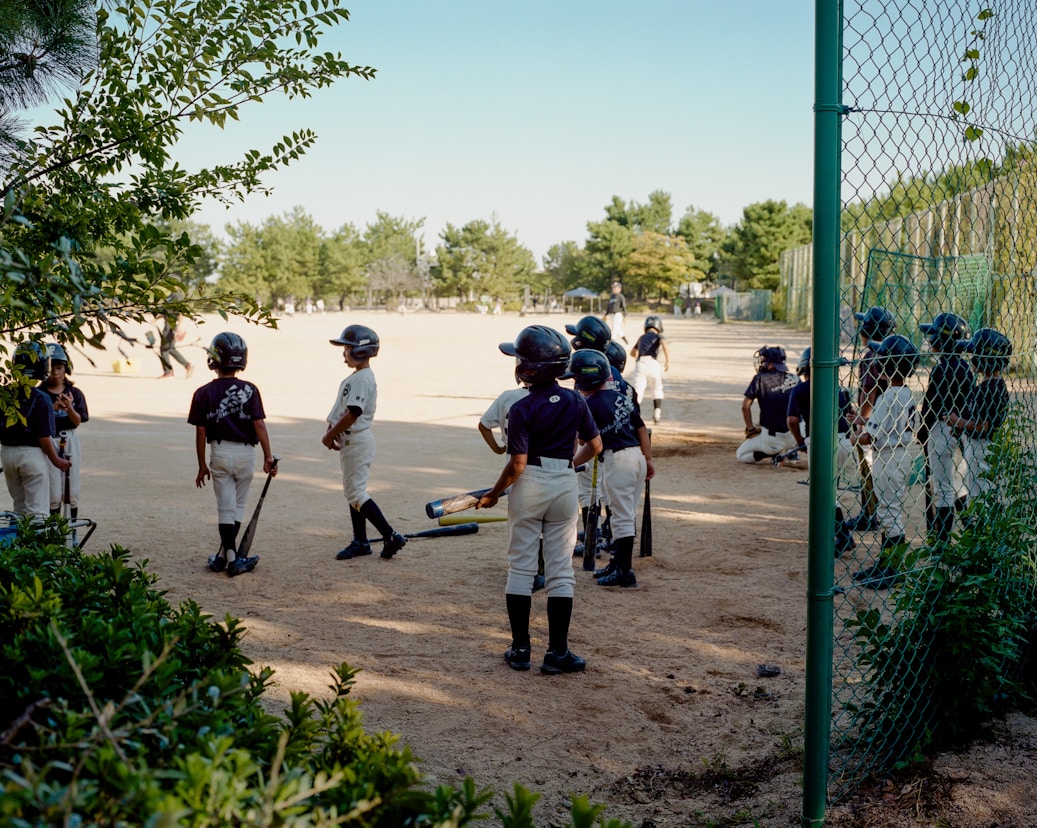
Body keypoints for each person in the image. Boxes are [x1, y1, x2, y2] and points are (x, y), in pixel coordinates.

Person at [477, 325, 601, 675]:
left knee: (521, 567)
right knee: (561, 571)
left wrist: (493, 494)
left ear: (528, 368)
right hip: (563, 482)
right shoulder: (576, 399)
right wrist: (566, 467)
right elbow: (594, 446)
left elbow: (517, 463)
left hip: (529, 483)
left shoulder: (521, 407)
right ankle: (558, 653)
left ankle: (520, 649)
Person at [563, 349, 653, 588]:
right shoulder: (622, 396)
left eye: (577, 378)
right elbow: (642, 429)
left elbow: (588, 444)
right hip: (636, 458)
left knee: (621, 517)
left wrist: (572, 463)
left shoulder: (590, 404)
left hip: (618, 462)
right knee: (625, 514)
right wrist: (649, 459)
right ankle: (618, 564)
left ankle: (625, 572)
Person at [189, 332, 275, 576]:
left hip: (220, 452)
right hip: (246, 454)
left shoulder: (203, 392)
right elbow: (259, 425)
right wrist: (268, 456)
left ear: (214, 361)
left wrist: (201, 464)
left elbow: (201, 432)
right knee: (237, 507)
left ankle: (227, 557)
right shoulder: (250, 389)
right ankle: (230, 557)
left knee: (225, 509)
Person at [322, 324, 408, 561]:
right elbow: (344, 411)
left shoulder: (362, 378)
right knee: (353, 491)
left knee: (356, 492)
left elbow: (353, 413)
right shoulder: (358, 376)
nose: (343, 354)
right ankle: (360, 541)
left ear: (360, 351)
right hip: (352, 441)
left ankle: (390, 535)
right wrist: (332, 428)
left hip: (357, 441)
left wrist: (329, 436)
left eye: (347, 349)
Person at [848, 334, 920, 589]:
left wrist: (855, 436)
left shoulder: (888, 395)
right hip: (898, 454)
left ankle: (892, 570)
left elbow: (869, 438)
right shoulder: (904, 392)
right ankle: (885, 565)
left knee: (890, 514)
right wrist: (860, 422)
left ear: (885, 365)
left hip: (888, 458)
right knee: (889, 511)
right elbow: (887, 425)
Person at [785, 347, 856, 555]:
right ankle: (840, 535)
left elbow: (791, 420)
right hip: (845, 442)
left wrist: (801, 441)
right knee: (829, 490)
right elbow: (850, 414)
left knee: (824, 493)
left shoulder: (801, 388)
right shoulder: (841, 390)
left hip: (821, 443)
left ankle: (843, 536)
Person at [918, 312, 975, 544]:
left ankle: (941, 546)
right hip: (960, 430)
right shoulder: (965, 367)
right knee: (958, 484)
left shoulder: (941, 369)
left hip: (942, 428)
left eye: (934, 336)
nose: (930, 340)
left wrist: (922, 434)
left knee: (942, 490)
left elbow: (930, 407)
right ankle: (971, 531)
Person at [1, 343, 71, 517]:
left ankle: (16, 543)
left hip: (7, 453)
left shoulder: (5, 393)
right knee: (37, 510)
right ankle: (37, 544)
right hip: (31, 454)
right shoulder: (41, 397)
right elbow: (43, 436)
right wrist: (55, 460)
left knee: (20, 507)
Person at [844, 306, 896, 533]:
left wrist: (860, 423)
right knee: (875, 471)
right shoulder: (889, 353)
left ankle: (869, 515)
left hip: (872, 421)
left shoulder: (870, 357)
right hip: (886, 421)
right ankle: (869, 514)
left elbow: (869, 393)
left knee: (868, 469)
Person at [946, 328, 1012, 507]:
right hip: (980, 447)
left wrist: (956, 421)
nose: (971, 356)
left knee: (979, 496)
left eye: (973, 353)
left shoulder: (992, 389)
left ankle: (980, 530)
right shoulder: (990, 385)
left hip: (982, 447)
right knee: (977, 492)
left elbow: (983, 426)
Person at [39, 343, 89, 518]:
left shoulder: (74, 393)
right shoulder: (40, 393)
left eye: (59, 367)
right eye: (51, 368)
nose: (55, 373)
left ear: (65, 369)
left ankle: (71, 527)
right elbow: (38, 421)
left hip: (69, 438)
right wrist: (51, 408)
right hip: (48, 440)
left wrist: (69, 407)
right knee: (52, 487)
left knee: (71, 485)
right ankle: (54, 526)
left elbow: (77, 421)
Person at [736, 345, 800, 462]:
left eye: (764, 360)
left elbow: (745, 406)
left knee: (741, 455)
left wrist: (750, 429)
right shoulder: (795, 378)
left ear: (771, 364)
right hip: (796, 436)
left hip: (772, 439)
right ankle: (792, 452)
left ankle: (771, 453)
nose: (762, 363)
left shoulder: (760, 378)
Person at [630, 315, 670, 424]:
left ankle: (633, 415)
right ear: (659, 327)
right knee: (657, 388)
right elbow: (664, 345)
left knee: (638, 391)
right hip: (653, 364)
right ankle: (657, 415)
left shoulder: (641, 337)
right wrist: (667, 361)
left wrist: (638, 356)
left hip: (641, 363)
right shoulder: (659, 336)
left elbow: (632, 353)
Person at [157, 314, 194, 379]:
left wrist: (179, 326)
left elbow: (180, 314)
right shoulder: (167, 305)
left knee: (164, 350)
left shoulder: (172, 304)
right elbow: (163, 312)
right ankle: (187, 365)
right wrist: (156, 318)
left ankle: (168, 372)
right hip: (169, 327)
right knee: (170, 349)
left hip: (170, 328)